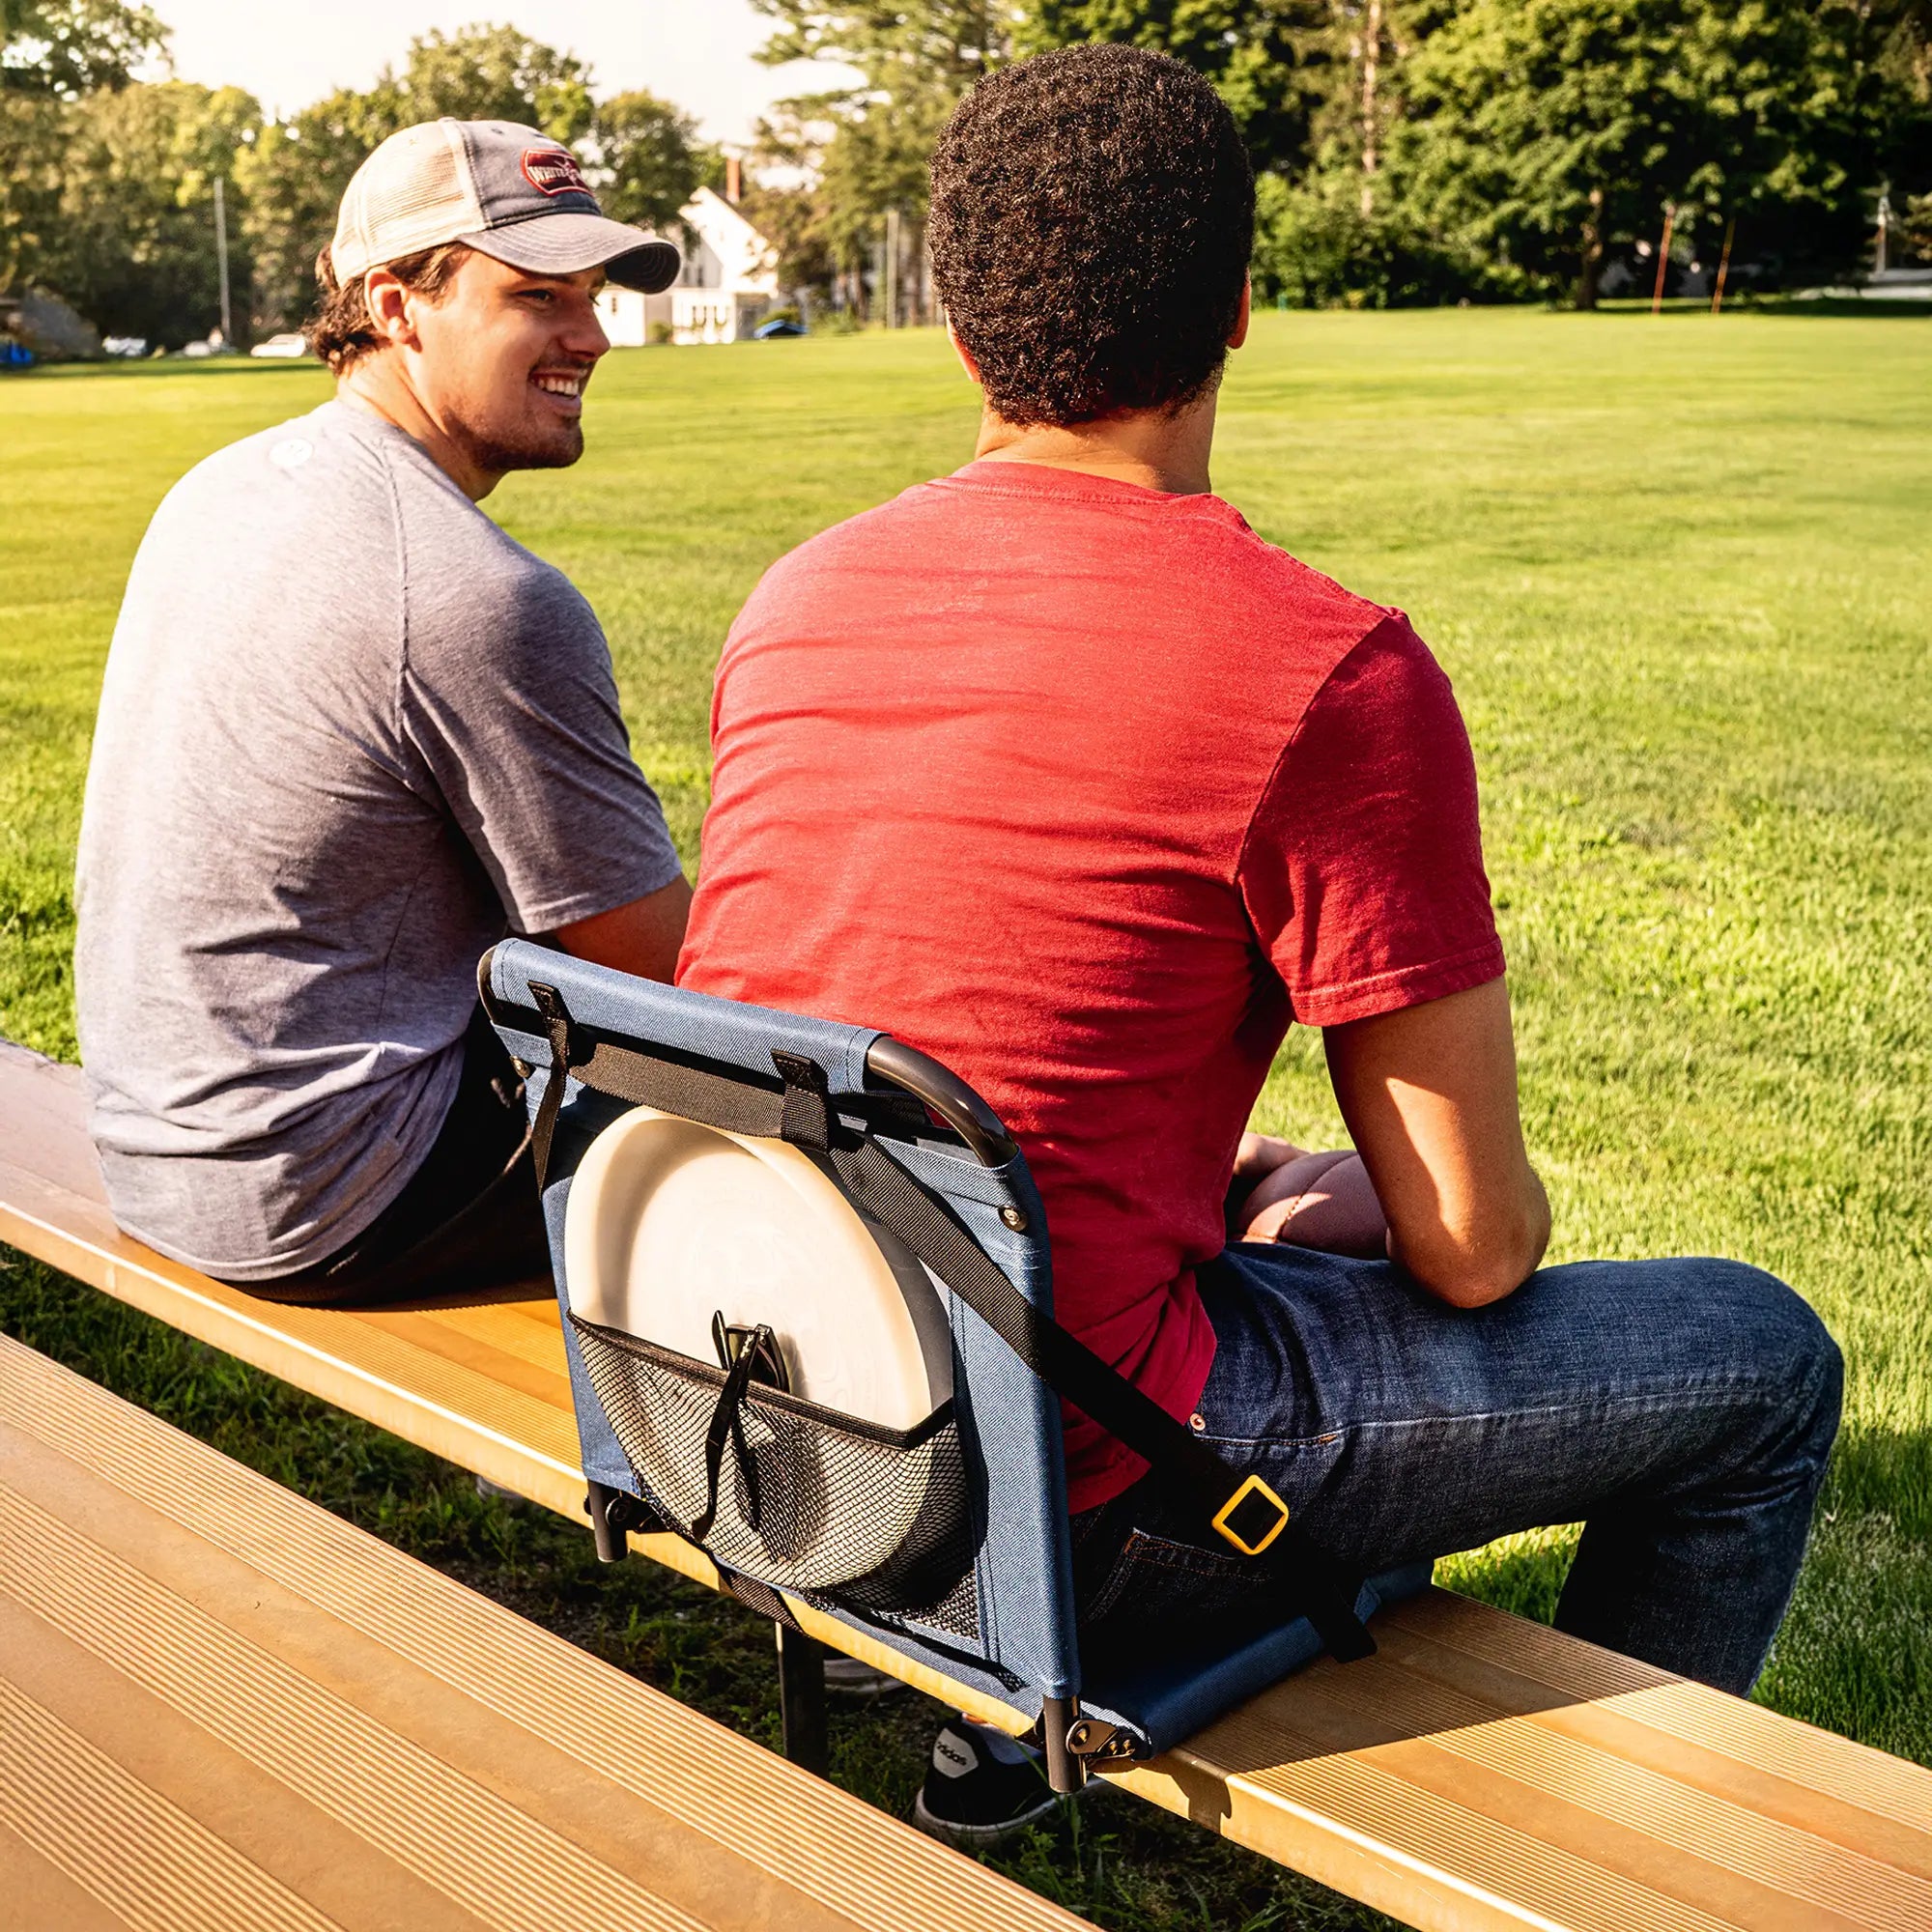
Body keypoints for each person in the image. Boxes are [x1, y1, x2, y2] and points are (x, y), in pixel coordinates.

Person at [674, 46, 1842, 1845]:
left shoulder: (794, 599)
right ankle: (1616, 1861)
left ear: (959, 331)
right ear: (1242, 306)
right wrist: (1369, 1209)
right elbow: (1471, 1249)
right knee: (1760, 1361)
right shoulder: (1326, 670)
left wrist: (1217, 1203)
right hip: (1062, 1490)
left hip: (779, 1420)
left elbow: (907, 1021)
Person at [75, 119, 691, 1302]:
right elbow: (665, 972)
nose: (592, 336)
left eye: (594, 294)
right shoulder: (476, 596)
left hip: (158, 1148)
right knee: (829, 1135)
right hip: (332, 1191)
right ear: (395, 305)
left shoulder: (223, 486)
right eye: (538, 298)